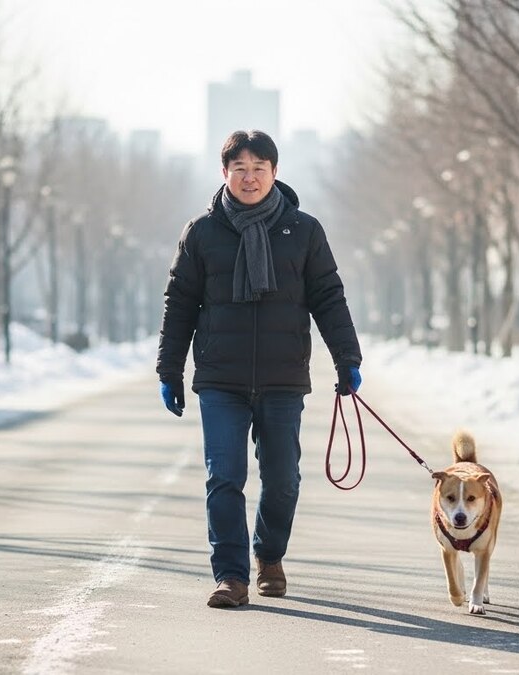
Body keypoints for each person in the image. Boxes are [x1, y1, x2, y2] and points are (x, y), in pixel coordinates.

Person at [156, 130, 362, 609]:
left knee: (283, 478)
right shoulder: (202, 232)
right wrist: (170, 370)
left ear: (275, 172)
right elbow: (179, 304)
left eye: (259, 169)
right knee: (223, 477)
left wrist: (346, 358)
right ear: (224, 173)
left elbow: (328, 297)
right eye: (240, 169)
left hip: (283, 377)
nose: (249, 178)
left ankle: (268, 556)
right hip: (220, 379)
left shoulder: (305, 230)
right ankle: (231, 576)